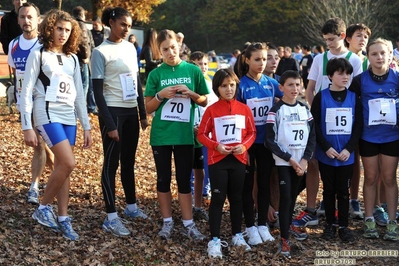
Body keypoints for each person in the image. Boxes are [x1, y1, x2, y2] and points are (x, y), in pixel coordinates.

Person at [20, 9, 92, 241]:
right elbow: (26, 92)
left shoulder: (72, 59)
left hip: (68, 116)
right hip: (46, 112)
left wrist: (87, 125)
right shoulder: (38, 54)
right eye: (59, 28)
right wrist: (26, 126)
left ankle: (63, 218)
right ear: (50, 28)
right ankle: (43, 207)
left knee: (64, 167)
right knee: (69, 162)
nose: (63, 33)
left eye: (67, 30)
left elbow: (80, 94)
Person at [144, 29, 208, 240]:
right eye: (165, 49)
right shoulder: (155, 74)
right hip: (162, 135)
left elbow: (205, 100)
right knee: (163, 179)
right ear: (159, 51)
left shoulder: (192, 70)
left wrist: (191, 94)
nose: (170, 52)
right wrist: (161, 96)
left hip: (184, 135)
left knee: (183, 179)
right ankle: (167, 222)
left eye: (173, 47)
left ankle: (188, 224)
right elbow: (147, 107)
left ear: (179, 46)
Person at [299, 17, 362, 228]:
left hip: (347, 120)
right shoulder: (319, 59)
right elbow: (310, 88)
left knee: (350, 161)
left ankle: (352, 201)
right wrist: (315, 111)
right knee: (319, 161)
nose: (328, 43)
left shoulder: (354, 59)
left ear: (343, 37)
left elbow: (357, 90)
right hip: (323, 119)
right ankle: (319, 205)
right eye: (325, 40)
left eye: (331, 39)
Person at [91, 7, 148, 237]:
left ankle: (131, 207)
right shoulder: (100, 52)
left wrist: (142, 113)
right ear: (111, 22)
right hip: (112, 113)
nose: (126, 29)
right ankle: (111, 216)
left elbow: (136, 81)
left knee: (129, 162)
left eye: (129, 25)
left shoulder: (130, 47)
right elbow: (97, 92)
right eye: (123, 24)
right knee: (111, 164)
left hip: (130, 112)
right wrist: (110, 124)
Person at [198, 68, 256, 258]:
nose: (229, 89)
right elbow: (201, 134)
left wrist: (244, 146)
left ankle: (237, 235)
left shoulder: (244, 109)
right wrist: (216, 146)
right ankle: (214, 240)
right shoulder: (212, 110)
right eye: (224, 86)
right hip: (218, 161)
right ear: (217, 88)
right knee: (217, 199)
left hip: (238, 160)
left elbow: (251, 132)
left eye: (232, 85)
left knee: (237, 198)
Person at [349, 38, 399, 241]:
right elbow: (349, 105)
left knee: (388, 178)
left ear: (390, 55)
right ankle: (369, 218)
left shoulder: (397, 77)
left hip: (392, 136)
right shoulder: (360, 80)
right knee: (370, 177)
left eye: (382, 53)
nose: (379, 57)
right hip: (368, 136)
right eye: (374, 54)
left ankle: (392, 222)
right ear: (368, 57)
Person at [7, 2, 54, 205]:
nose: (26, 21)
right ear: (18, 20)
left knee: (39, 144)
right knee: (42, 145)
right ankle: (61, 175)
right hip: (24, 102)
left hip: (43, 102)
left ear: (38, 20)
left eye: (30, 17)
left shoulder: (44, 45)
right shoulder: (13, 44)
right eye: (22, 17)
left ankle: (34, 187)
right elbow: (15, 71)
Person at [265, 70, 316, 258]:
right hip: (284, 163)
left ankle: (289, 227)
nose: (295, 89)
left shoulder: (304, 109)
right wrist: (291, 159)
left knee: (293, 197)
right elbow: (269, 140)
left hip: (300, 163)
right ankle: (284, 239)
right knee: (285, 198)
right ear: (281, 88)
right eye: (290, 85)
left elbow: (312, 137)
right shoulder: (276, 111)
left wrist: (304, 160)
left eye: (297, 84)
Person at [312, 58, 362, 243]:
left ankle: (343, 226)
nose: (345, 76)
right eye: (340, 73)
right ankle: (330, 225)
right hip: (327, 154)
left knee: (343, 191)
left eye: (348, 73)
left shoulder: (354, 97)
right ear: (330, 76)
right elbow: (315, 124)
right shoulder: (321, 96)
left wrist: (349, 149)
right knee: (329, 190)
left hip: (346, 155)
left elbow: (358, 126)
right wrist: (326, 148)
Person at [236, 42, 282, 245]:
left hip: (266, 142)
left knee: (264, 183)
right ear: (247, 60)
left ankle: (262, 223)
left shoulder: (271, 84)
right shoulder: (240, 86)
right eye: (257, 59)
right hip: (247, 144)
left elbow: (288, 99)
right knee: (247, 185)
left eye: (265, 59)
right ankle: (250, 226)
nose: (262, 63)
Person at [345, 23, 372, 221]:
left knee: (364, 161)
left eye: (365, 36)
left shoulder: (371, 61)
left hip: (368, 117)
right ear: (348, 38)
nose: (362, 39)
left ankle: (355, 199)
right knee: (347, 158)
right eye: (358, 35)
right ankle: (335, 197)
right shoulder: (341, 59)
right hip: (345, 115)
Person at [189, 51, 218, 221]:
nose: (203, 67)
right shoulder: (190, 85)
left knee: (206, 164)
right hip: (192, 131)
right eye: (199, 64)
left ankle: (204, 192)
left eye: (205, 64)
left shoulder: (211, 84)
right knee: (194, 168)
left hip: (210, 132)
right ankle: (193, 195)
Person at [72, 6, 94, 100]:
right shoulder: (81, 25)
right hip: (82, 59)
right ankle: (81, 108)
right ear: (81, 14)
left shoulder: (72, 24)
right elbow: (84, 41)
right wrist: (86, 56)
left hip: (74, 57)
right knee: (84, 85)